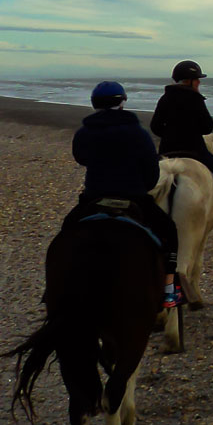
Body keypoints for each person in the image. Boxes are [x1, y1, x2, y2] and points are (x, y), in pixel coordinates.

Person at [62, 80, 183, 308]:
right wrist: (143, 185)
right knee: (168, 231)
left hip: (94, 197)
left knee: (68, 231)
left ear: (94, 104)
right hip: (134, 197)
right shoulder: (138, 133)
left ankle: (62, 286)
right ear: (122, 103)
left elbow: (81, 158)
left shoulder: (84, 133)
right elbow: (151, 172)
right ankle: (168, 291)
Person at [150, 60, 213, 235]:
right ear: (189, 80)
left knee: (149, 180)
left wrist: (170, 133)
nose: (199, 82)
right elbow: (207, 126)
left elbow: (155, 127)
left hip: (167, 151)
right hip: (194, 151)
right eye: (197, 79)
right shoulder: (195, 98)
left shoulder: (165, 97)